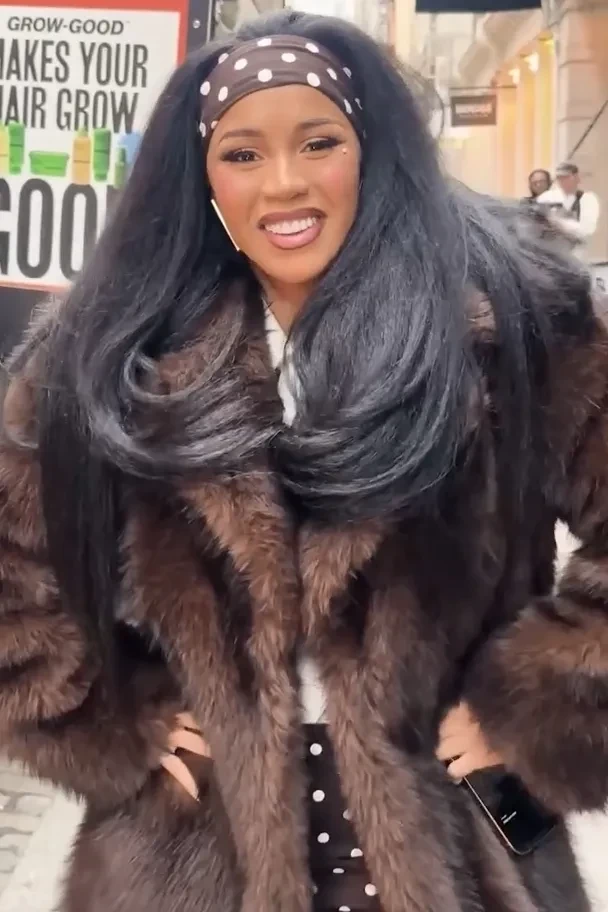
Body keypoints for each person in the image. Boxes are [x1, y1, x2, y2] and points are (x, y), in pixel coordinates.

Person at [0, 10, 606, 912]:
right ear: (202, 174)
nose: (284, 182)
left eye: (318, 142)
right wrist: (93, 717)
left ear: (368, 148)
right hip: (191, 852)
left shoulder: (510, 320)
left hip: (453, 833)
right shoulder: (115, 346)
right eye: (242, 154)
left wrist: (542, 707)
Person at [537, 161, 600, 253]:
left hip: (576, 253)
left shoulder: (588, 199)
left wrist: (559, 222)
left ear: (576, 178)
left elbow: (587, 229)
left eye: (566, 177)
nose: (563, 181)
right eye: (559, 178)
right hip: (550, 251)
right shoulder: (546, 198)